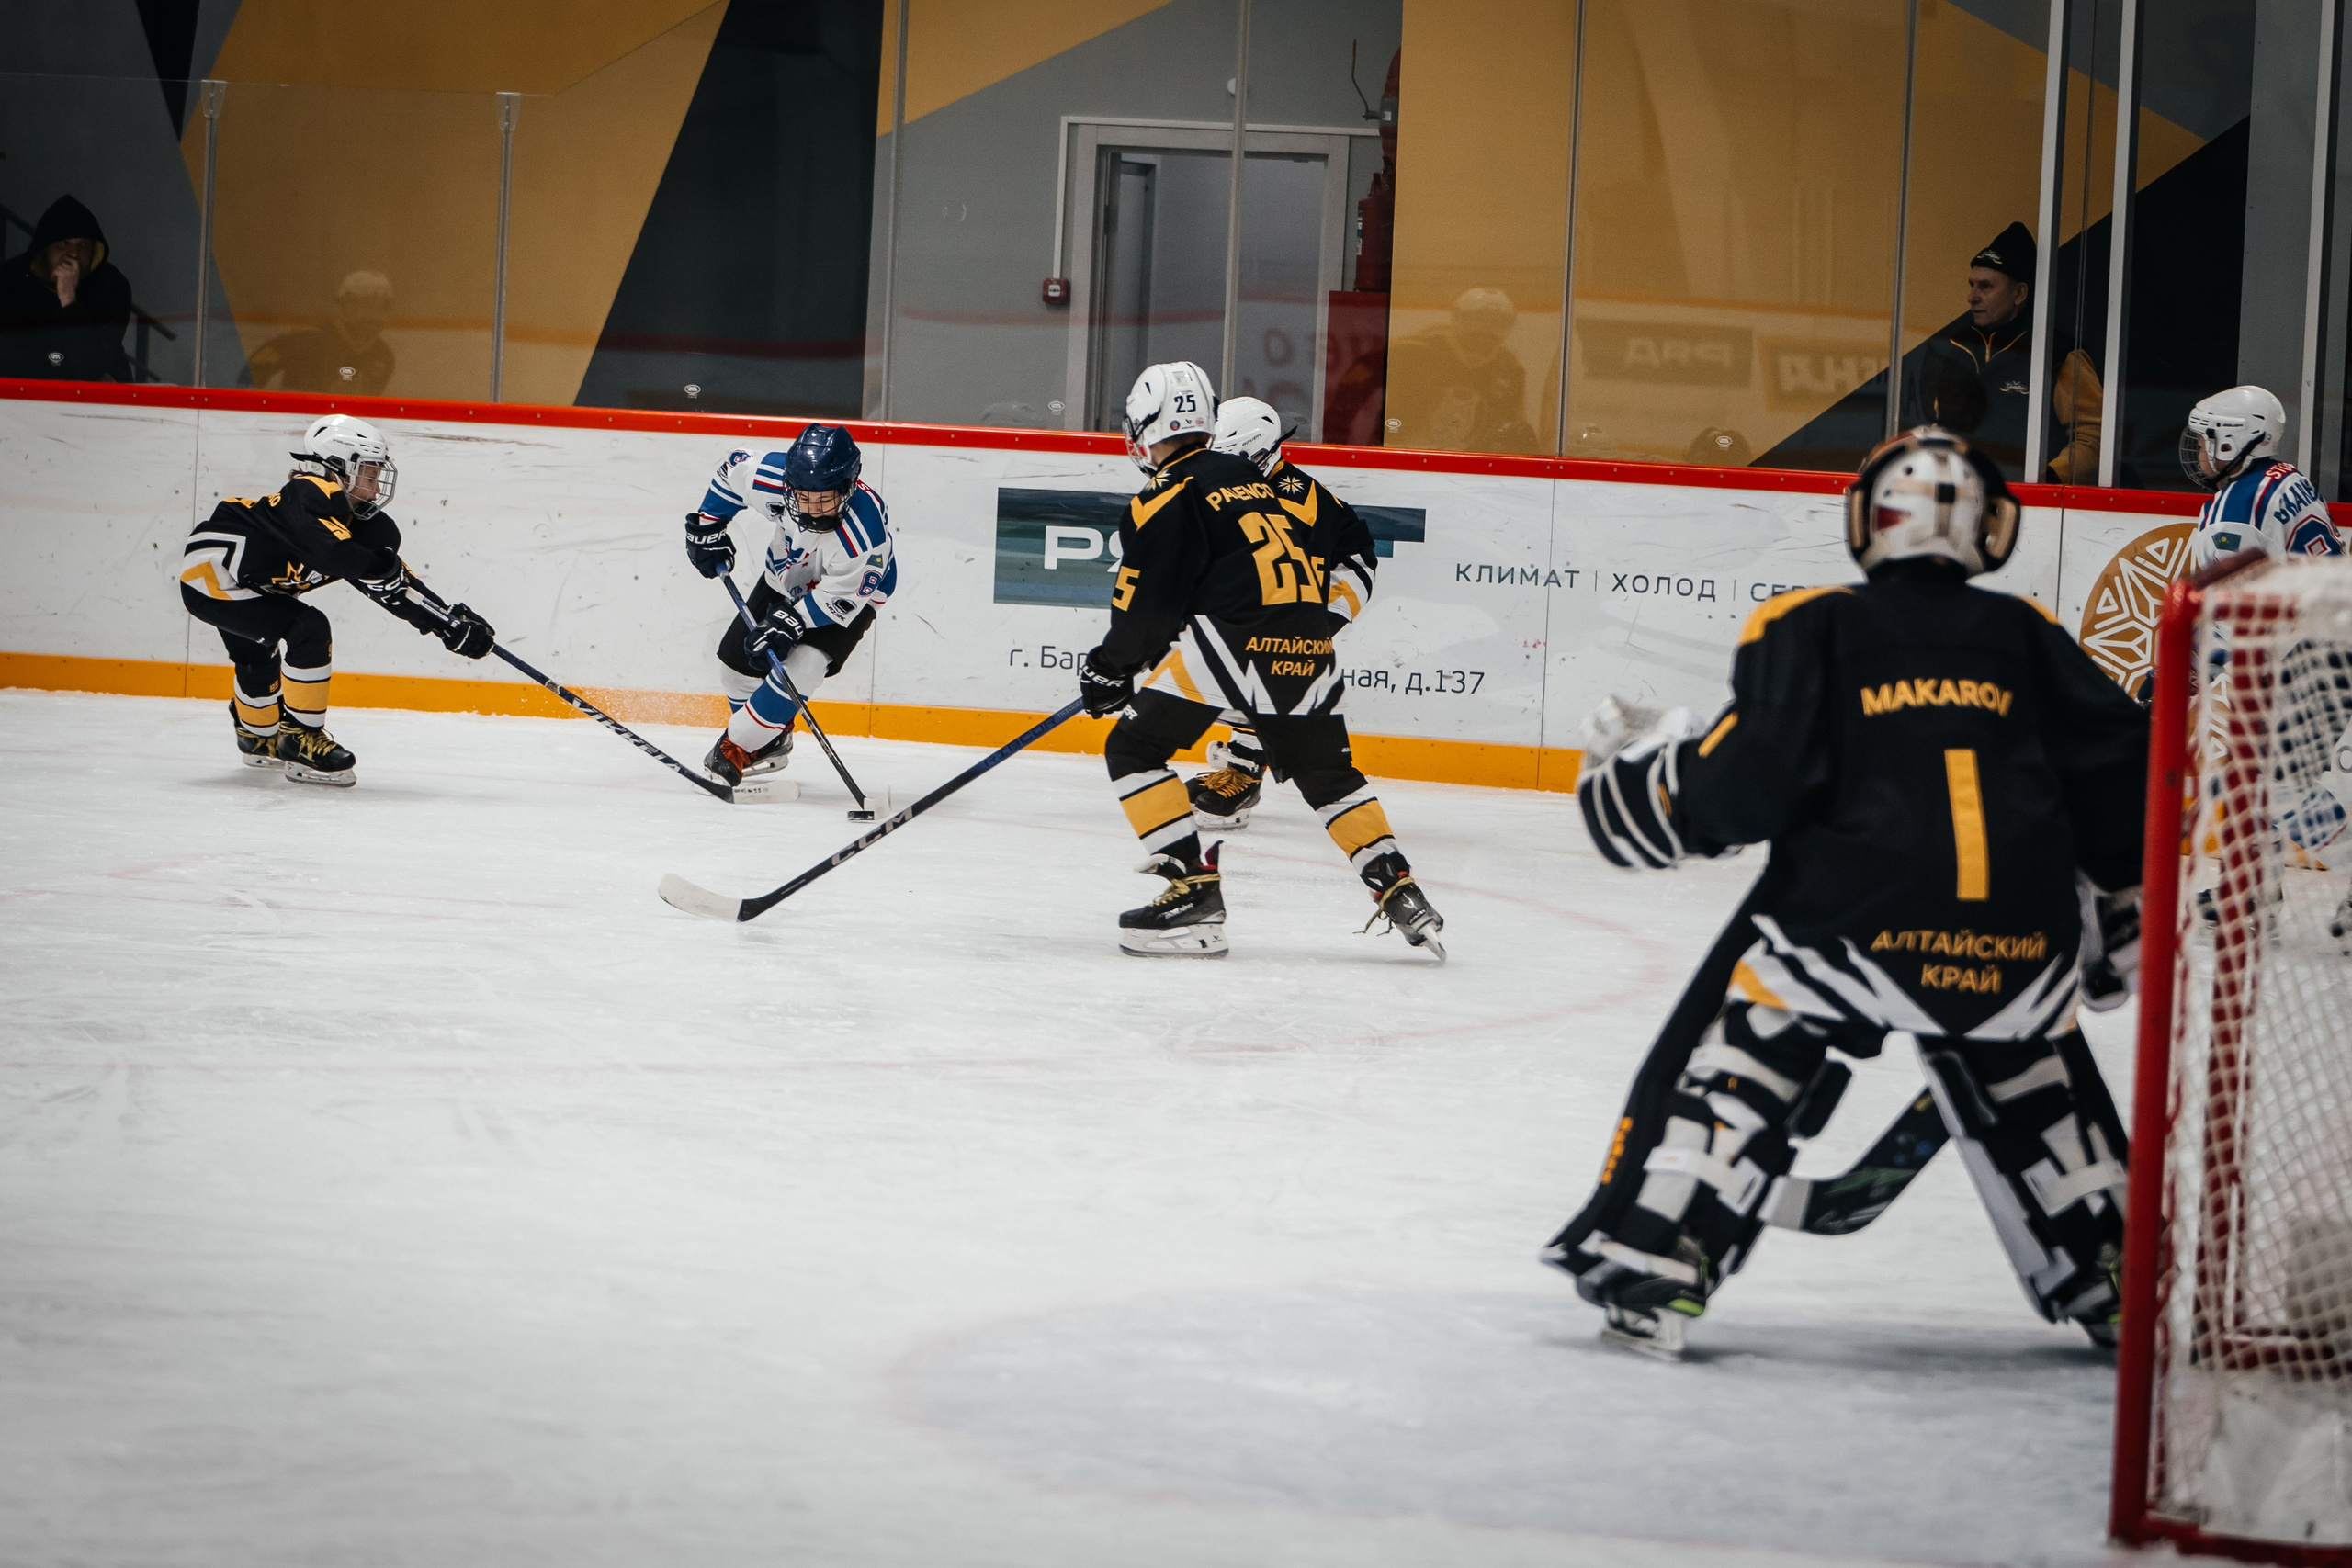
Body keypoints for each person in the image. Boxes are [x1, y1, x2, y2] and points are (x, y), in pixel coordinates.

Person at [1546, 427, 2148, 1359]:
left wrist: (1640, 778)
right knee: (2032, 1076)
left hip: (1853, 928)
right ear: (1986, 529)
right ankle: (2113, 1271)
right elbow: (2122, 782)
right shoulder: (2027, 632)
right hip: (2019, 946)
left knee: (1748, 1056)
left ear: (1871, 521)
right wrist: (2118, 918)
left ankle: (1661, 1256)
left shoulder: (1810, 623)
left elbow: (1748, 785)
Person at [1076, 360, 1444, 960]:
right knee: (1328, 776)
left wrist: (1109, 669)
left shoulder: (1164, 494)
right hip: (1309, 639)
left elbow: (1148, 610)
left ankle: (1192, 895)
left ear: (1145, 427)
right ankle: (1400, 887)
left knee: (1133, 748)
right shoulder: (1254, 478)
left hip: (1237, 637)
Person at [179, 415, 496, 785]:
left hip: (256, 583)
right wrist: (381, 568)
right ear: (339, 466)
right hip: (212, 578)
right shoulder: (307, 493)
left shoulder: (355, 523)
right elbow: (339, 557)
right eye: (370, 473)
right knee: (307, 629)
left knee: (257, 657)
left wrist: (447, 623)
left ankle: (256, 735)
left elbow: (389, 586)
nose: (377, 486)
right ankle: (302, 737)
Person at [1185, 396, 1379, 832]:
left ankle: (1242, 771)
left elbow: (1292, 580)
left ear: (1257, 451)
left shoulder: (1296, 505)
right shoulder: (1238, 484)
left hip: (1333, 583)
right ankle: (1240, 762)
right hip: (1286, 583)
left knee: (1262, 663)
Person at [680, 424, 898, 785]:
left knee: (802, 667)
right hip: (784, 575)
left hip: (848, 595)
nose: (811, 509)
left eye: (824, 499)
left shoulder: (865, 537)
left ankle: (741, 745)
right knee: (737, 668)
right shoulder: (772, 476)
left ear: (849, 486)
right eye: (803, 497)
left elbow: (840, 599)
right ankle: (772, 741)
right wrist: (707, 527)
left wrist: (793, 620)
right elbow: (733, 472)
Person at [1904, 222, 2100, 483]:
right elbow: (1935, 428)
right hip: (1960, 498)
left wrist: (2048, 479)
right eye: (1971, 284)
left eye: (1985, 287)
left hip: (2033, 505)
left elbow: (2094, 435)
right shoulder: (1953, 348)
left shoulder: (2058, 353)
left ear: (2019, 293)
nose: (1971, 297)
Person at [2182, 385, 2343, 567]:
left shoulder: (2232, 510)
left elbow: (2233, 593)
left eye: (2202, 446)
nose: (2199, 454)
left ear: (2227, 447)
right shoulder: (2288, 475)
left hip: (2304, 593)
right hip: (2334, 588)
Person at [1382, 288, 1539, 454]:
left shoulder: (1511, 370)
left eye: (1497, 322)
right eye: (1478, 320)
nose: (1486, 329)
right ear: (1457, 318)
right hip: (1408, 451)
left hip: (1470, 460)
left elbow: (1510, 427)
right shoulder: (1412, 351)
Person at [0, 196, 134, 381]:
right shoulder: (11, 279)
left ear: (95, 250)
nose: (74, 253)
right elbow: (7, 359)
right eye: (63, 243)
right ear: (45, 248)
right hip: (19, 400)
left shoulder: (111, 286)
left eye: (84, 245)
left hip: (98, 403)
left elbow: (91, 364)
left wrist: (68, 299)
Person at [246, 271, 397, 395]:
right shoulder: (305, 339)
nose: (375, 315)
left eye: (383, 307)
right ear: (343, 306)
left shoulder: (383, 356)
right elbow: (245, 380)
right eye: (367, 304)